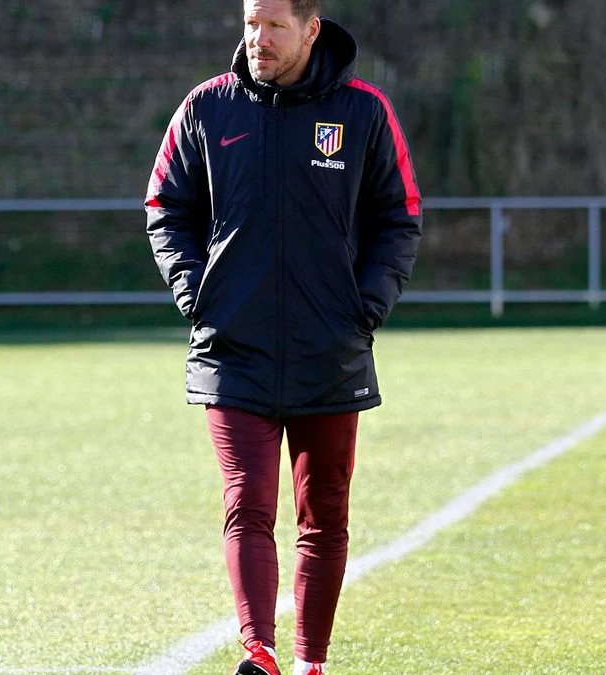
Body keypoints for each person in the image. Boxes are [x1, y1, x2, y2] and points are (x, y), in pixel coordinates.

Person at [144, 1, 422, 674]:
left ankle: (311, 663)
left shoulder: (363, 113)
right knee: (246, 504)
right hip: (232, 348)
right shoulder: (209, 108)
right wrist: (195, 294)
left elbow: (400, 214)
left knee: (323, 516)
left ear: (310, 28)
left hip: (331, 348)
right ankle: (259, 651)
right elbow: (164, 206)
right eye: (249, 23)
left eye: (274, 25)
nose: (258, 39)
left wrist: (367, 307)